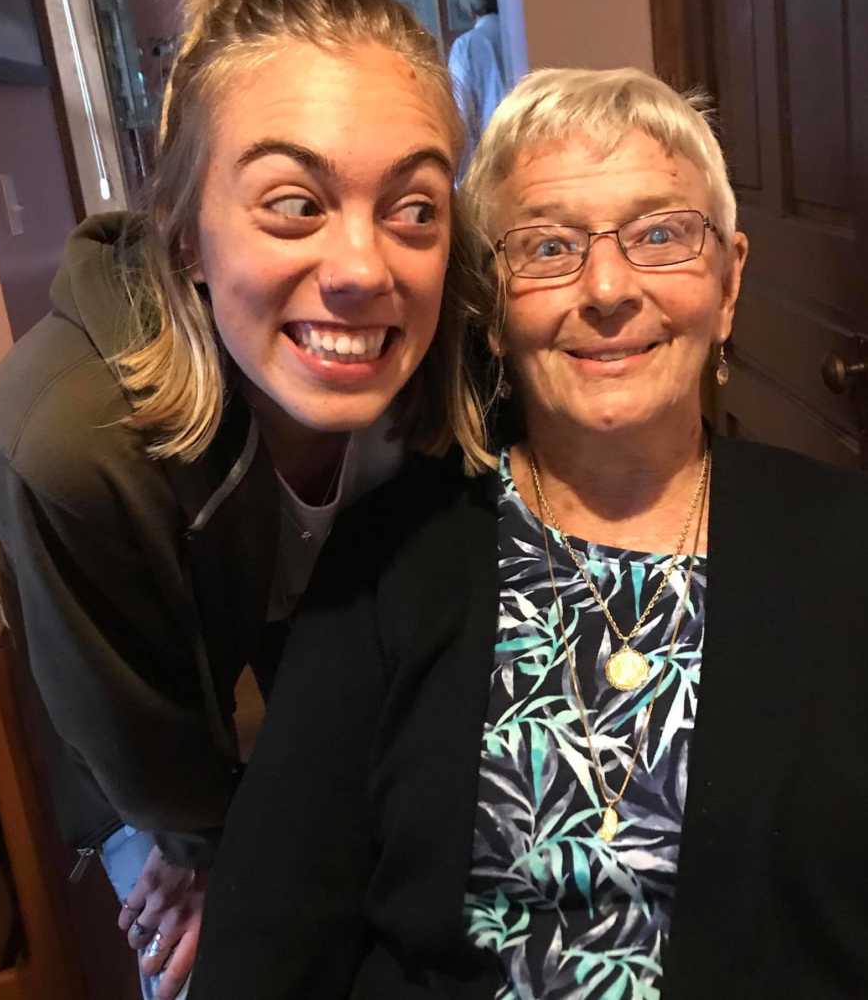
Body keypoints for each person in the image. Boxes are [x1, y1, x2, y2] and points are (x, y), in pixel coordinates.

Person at [190, 67, 868, 999]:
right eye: (547, 248)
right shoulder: (394, 557)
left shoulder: (844, 547)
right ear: (492, 307)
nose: (607, 288)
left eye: (662, 234)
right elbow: (270, 933)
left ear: (729, 277)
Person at [0, 0, 490, 1000]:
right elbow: (144, 755)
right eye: (294, 204)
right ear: (186, 235)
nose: (363, 268)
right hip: (146, 730)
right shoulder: (68, 443)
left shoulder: (462, 364)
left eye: (413, 209)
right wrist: (216, 860)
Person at [448, 0, 506, 170]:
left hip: (489, 154)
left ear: (473, 11)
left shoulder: (466, 45)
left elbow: (461, 109)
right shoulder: (521, 31)